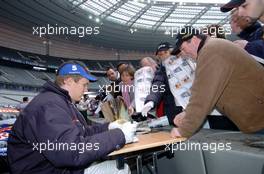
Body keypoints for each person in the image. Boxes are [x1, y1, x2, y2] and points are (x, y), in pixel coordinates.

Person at [8, 61, 137, 174]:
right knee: (119, 169)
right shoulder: (49, 105)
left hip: (54, 167)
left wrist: (109, 127)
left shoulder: (60, 101)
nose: (86, 89)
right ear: (68, 81)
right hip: (47, 170)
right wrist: (120, 135)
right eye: (84, 84)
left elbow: (82, 132)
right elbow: (71, 152)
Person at [170, 26, 264, 138]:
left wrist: (184, 129)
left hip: (259, 117)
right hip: (256, 117)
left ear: (194, 39)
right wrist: (187, 114)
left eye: (183, 48)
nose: (184, 53)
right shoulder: (213, 47)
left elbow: (202, 95)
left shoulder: (210, 51)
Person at [141, 42, 183, 125]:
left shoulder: (184, 62)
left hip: (190, 107)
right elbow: (158, 84)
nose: (163, 56)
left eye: (166, 52)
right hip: (172, 110)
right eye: (160, 54)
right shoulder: (161, 71)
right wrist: (151, 101)